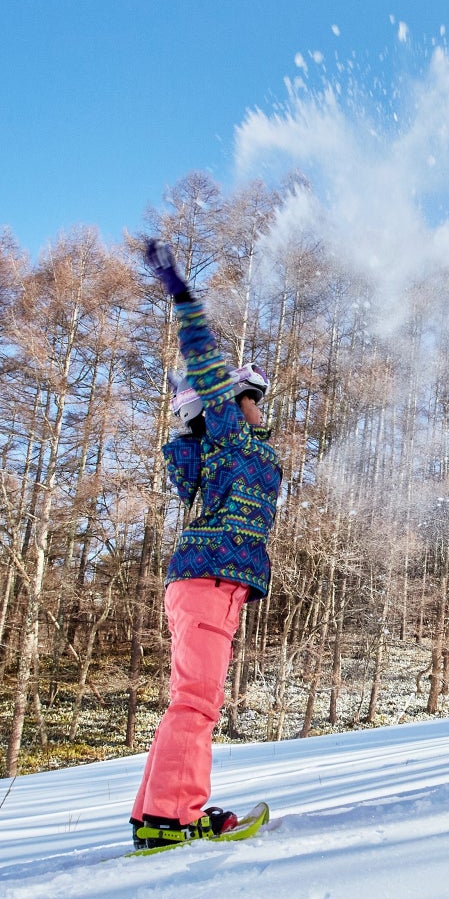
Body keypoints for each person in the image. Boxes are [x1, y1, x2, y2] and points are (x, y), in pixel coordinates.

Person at [129, 238, 282, 849]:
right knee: (197, 701)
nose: (255, 408)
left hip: (206, 582)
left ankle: (158, 810)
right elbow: (204, 359)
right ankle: (171, 816)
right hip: (209, 580)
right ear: (223, 405)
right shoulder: (224, 437)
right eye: (250, 398)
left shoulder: (225, 452)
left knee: (187, 700)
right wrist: (181, 294)